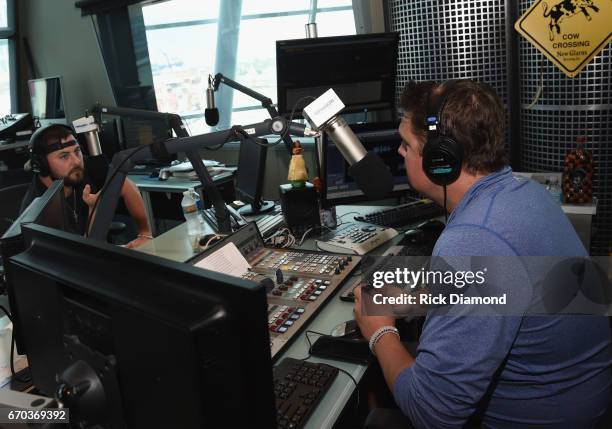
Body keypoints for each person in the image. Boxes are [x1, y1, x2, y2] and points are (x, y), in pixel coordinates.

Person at [354, 80, 611, 428]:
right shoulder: (525, 193)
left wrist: (379, 331)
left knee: (370, 413)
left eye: (406, 144)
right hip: (578, 398)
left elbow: (434, 413)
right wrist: (416, 299)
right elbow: (506, 285)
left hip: (543, 416)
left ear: (440, 160)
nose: (400, 153)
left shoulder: (475, 238)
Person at [20, 123, 152, 248]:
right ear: (42, 165)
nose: (77, 161)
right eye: (64, 156)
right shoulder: (40, 209)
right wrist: (92, 210)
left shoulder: (83, 167)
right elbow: (75, 258)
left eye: (77, 151)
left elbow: (125, 185)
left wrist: (144, 233)